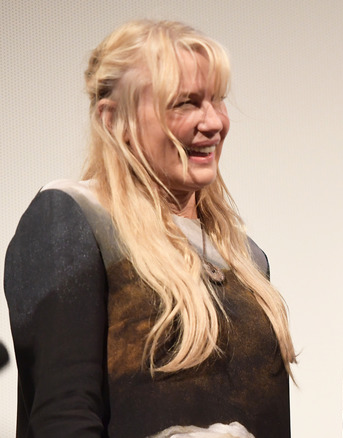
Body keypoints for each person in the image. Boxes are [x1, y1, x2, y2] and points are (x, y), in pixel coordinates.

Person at [4, 20, 295, 438]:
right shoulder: (74, 217)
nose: (213, 122)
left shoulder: (247, 258)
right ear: (113, 119)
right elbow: (64, 418)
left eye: (217, 100)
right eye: (185, 103)